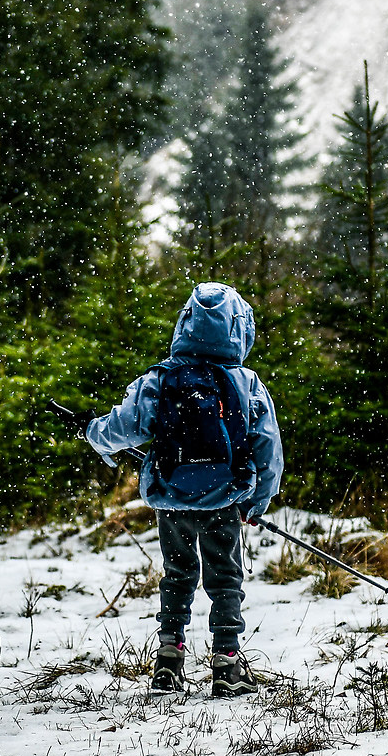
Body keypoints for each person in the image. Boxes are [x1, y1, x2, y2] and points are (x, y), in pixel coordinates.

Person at [84, 282, 283, 697]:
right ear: (238, 329)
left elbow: (124, 426)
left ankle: (169, 660)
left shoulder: (161, 378)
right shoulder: (245, 383)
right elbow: (268, 448)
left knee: (178, 572)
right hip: (225, 496)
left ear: (185, 324)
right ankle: (227, 663)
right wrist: (256, 502)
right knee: (225, 576)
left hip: (171, 496)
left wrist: (94, 435)